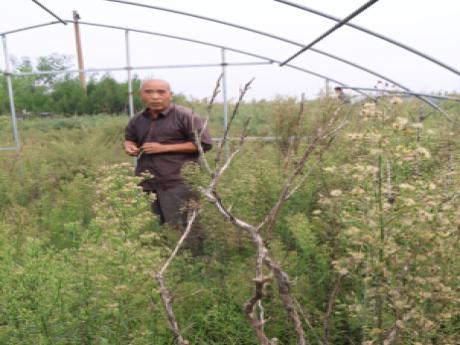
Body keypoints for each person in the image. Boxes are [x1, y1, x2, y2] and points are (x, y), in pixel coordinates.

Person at [124, 78, 212, 252]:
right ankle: (167, 265)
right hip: (149, 183)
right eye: (149, 92)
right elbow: (130, 139)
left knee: (186, 229)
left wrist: (163, 148)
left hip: (179, 182)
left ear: (170, 95)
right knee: (158, 230)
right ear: (142, 95)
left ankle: (193, 267)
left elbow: (203, 144)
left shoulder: (186, 116)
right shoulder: (137, 120)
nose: (155, 96)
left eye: (161, 92)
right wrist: (129, 146)